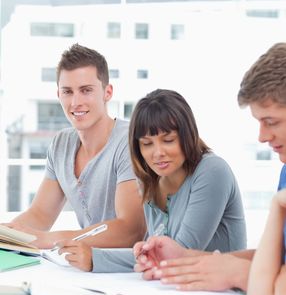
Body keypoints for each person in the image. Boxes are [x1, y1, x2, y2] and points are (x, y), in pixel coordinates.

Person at [133, 43, 286, 295]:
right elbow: (278, 261)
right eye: (147, 144)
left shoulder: (211, 170)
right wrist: (186, 258)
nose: (261, 136)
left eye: (271, 122)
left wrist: (242, 273)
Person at [57, 89, 246, 272]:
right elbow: (154, 256)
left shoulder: (212, 171)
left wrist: (95, 258)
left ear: (188, 136)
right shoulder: (150, 181)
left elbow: (178, 254)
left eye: (168, 140)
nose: (158, 153)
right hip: (178, 289)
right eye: (147, 144)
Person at [5, 43, 146, 249]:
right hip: (85, 264)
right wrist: (6, 234)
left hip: (132, 268)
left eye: (86, 90)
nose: (75, 102)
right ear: (58, 95)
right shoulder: (61, 143)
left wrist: (51, 239)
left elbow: (130, 230)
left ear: (107, 92)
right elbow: (40, 215)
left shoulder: (128, 142)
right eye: (68, 92)